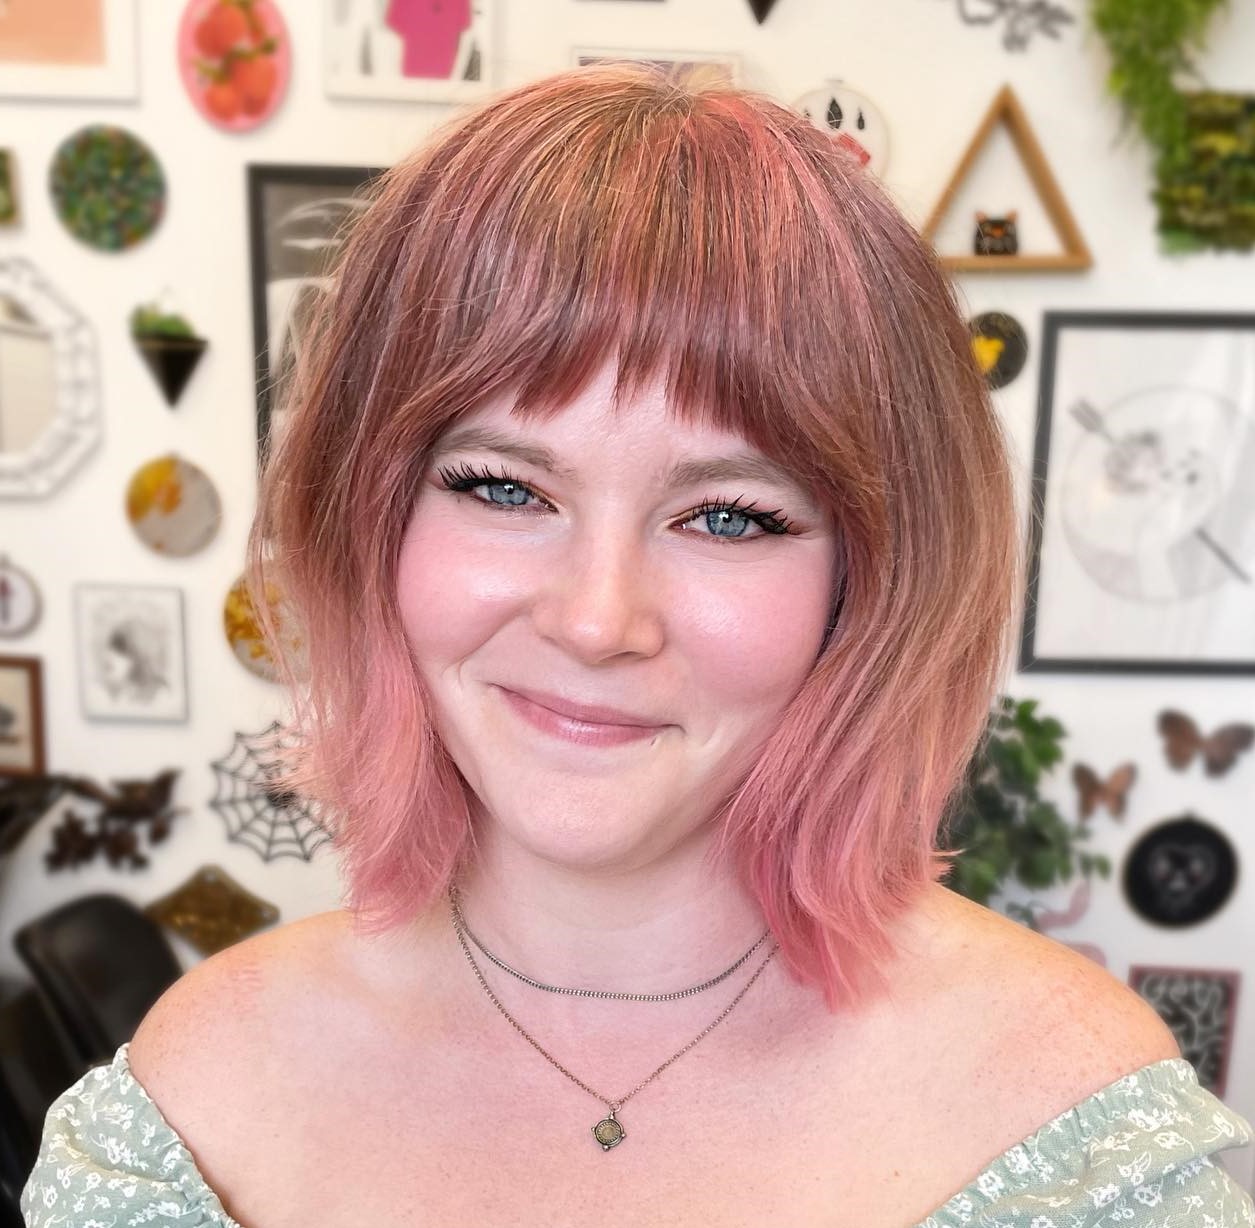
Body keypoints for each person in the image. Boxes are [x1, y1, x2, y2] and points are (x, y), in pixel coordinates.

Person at [21, 65, 1254, 1227]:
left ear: (867, 579)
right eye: (503, 488)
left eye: (728, 515)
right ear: (370, 517)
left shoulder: (1078, 1136)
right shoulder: (191, 1106)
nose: (597, 618)